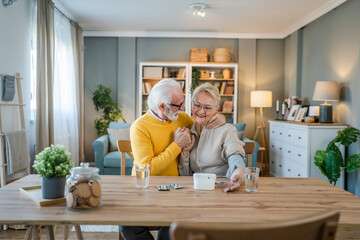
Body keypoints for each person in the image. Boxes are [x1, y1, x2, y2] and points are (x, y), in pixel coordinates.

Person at [120, 79, 225, 240]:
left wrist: (220, 118)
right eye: (178, 105)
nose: (183, 109)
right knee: (126, 224)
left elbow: (203, 125)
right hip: (146, 190)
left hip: (176, 191)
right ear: (162, 106)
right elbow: (147, 169)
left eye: (183, 102)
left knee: (172, 227)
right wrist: (176, 145)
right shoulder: (140, 127)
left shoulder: (181, 117)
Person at [178, 83, 246, 192]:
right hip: (196, 191)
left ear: (216, 109)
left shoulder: (226, 130)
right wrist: (184, 156)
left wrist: (238, 170)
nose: (201, 111)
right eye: (197, 105)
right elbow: (186, 176)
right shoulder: (188, 132)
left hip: (221, 189)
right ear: (191, 104)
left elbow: (234, 152)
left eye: (207, 107)